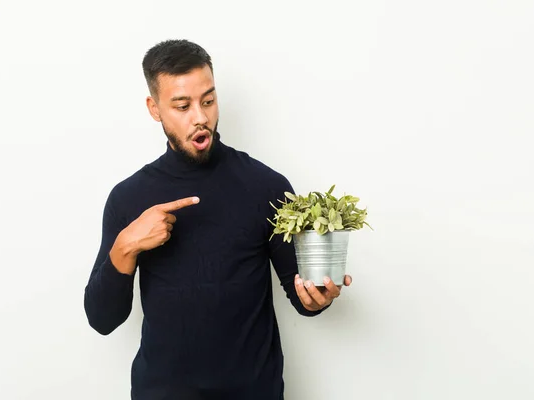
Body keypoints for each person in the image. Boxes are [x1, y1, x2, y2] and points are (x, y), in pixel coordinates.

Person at [84, 39, 352, 400]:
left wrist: (320, 297)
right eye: (182, 105)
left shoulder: (265, 186)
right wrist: (126, 245)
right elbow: (102, 319)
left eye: (208, 100)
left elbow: (303, 298)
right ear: (155, 108)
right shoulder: (128, 197)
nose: (200, 117)